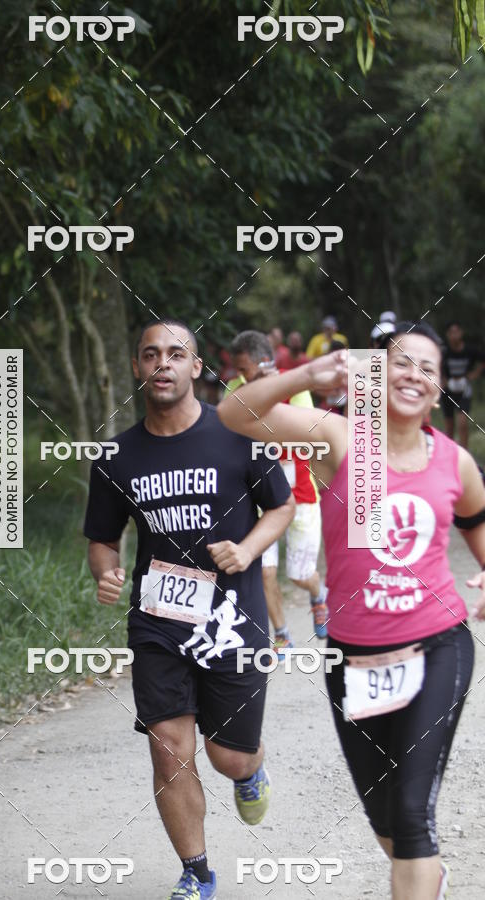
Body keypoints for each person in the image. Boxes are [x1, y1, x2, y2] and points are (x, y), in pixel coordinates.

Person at [218, 322, 485, 900]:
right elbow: (233, 416)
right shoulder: (341, 438)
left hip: (438, 645)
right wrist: (306, 375)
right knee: (388, 824)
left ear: (439, 390)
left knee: (413, 818)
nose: (415, 376)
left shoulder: (456, 463)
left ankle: (420, 867)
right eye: (402, 363)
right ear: (376, 374)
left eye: (428, 369)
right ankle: (428, 878)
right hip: (353, 658)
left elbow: (475, 518)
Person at [84, 318, 294, 900]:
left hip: (233, 618)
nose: (163, 363)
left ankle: (250, 771)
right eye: (150, 354)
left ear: (196, 367)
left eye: (176, 353)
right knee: (168, 746)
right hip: (159, 621)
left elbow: (282, 506)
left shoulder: (237, 434)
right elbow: (102, 537)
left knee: (227, 756)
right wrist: (106, 572)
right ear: (137, 367)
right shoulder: (116, 455)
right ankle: (196, 872)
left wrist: (248, 549)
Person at [229, 330, 328, 654]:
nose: (241, 377)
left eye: (246, 369)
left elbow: (307, 432)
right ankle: (283, 635)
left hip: (300, 493)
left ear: (265, 362)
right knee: (265, 571)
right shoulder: (236, 390)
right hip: (261, 499)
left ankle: (318, 594)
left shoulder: (293, 386)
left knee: (300, 575)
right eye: (238, 370)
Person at [441, 322, 484, 449]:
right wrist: (443, 380)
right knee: (449, 426)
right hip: (448, 389)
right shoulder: (444, 352)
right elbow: (435, 364)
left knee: (463, 422)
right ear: (448, 335)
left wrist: (474, 374)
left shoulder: (470, 350)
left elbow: (482, 361)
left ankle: (464, 454)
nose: (454, 335)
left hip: (464, 389)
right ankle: (448, 455)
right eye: (451, 333)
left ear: (461, 333)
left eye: (456, 332)